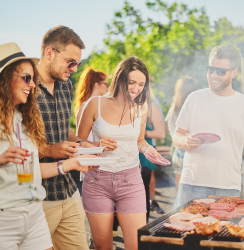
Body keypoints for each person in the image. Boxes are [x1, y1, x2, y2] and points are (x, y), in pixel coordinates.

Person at [0, 42, 97, 250]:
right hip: (5, 219)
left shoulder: (23, 120)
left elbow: (34, 168)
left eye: (32, 79)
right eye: (26, 78)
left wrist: (72, 163)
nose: (32, 84)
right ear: (4, 79)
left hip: (34, 212)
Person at [77, 56, 161, 250]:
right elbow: (79, 142)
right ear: (119, 79)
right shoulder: (95, 103)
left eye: (141, 84)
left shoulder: (142, 107)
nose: (136, 88)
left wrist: (148, 149)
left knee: (135, 246)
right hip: (97, 180)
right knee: (104, 247)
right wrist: (97, 145)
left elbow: (139, 140)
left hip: (130, 180)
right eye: (132, 82)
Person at [172, 45, 244, 207]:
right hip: (192, 183)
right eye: (210, 69)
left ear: (234, 72)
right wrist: (185, 141)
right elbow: (176, 136)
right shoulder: (194, 98)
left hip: (228, 187)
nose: (213, 75)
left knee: (223, 231)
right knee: (182, 230)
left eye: (220, 71)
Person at [35, 25, 95, 250]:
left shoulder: (66, 85)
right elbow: (14, 142)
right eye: (70, 62)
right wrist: (50, 150)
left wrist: (83, 144)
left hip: (68, 191)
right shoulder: (24, 88)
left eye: (77, 63)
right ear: (49, 53)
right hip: (38, 197)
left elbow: (63, 129)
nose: (75, 68)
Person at [74, 67, 109, 194]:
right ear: (96, 85)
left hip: (101, 159)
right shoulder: (84, 107)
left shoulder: (98, 106)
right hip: (93, 161)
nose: (108, 87)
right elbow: (81, 138)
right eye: (106, 84)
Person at [165, 76, 199, 193]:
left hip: (177, 153)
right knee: (196, 193)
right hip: (192, 153)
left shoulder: (173, 109)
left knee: (180, 192)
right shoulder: (193, 108)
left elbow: (169, 129)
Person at [139, 87, 165, 222]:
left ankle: (142, 230)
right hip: (127, 155)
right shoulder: (125, 103)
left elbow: (161, 133)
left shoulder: (151, 104)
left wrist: (140, 134)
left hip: (144, 155)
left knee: (143, 194)